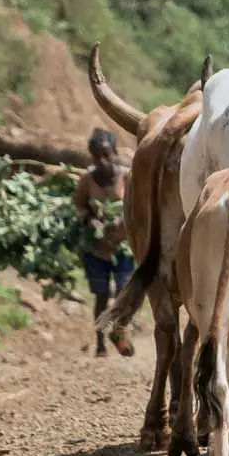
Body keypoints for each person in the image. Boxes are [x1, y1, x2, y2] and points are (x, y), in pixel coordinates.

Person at [75, 128, 135, 357]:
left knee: (123, 293)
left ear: (115, 152)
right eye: (98, 156)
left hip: (124, 247)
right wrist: (90, 220)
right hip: (96, 249)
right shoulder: (87, 180)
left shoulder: (127, 178)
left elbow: (137, 206)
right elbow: (80, 207)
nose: (103, 161)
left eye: (107, 154)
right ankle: (100, 341)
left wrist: (125, 219)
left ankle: (119, 333)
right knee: (101, 294)